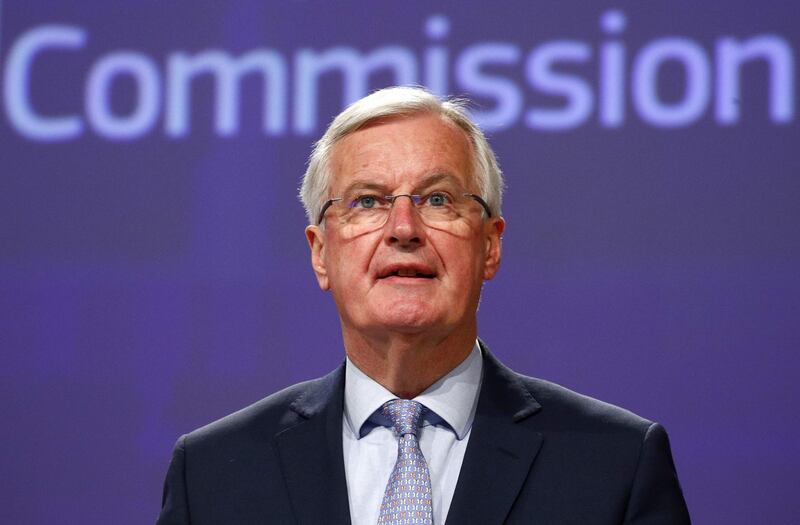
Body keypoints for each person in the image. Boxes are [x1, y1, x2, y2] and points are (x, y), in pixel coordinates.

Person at [156, 86, 690, 524]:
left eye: (438, 199)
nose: (404, 229)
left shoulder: (615, 464)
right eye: (367, 202)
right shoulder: (211, 476)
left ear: (490, 246)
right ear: (320, 253)